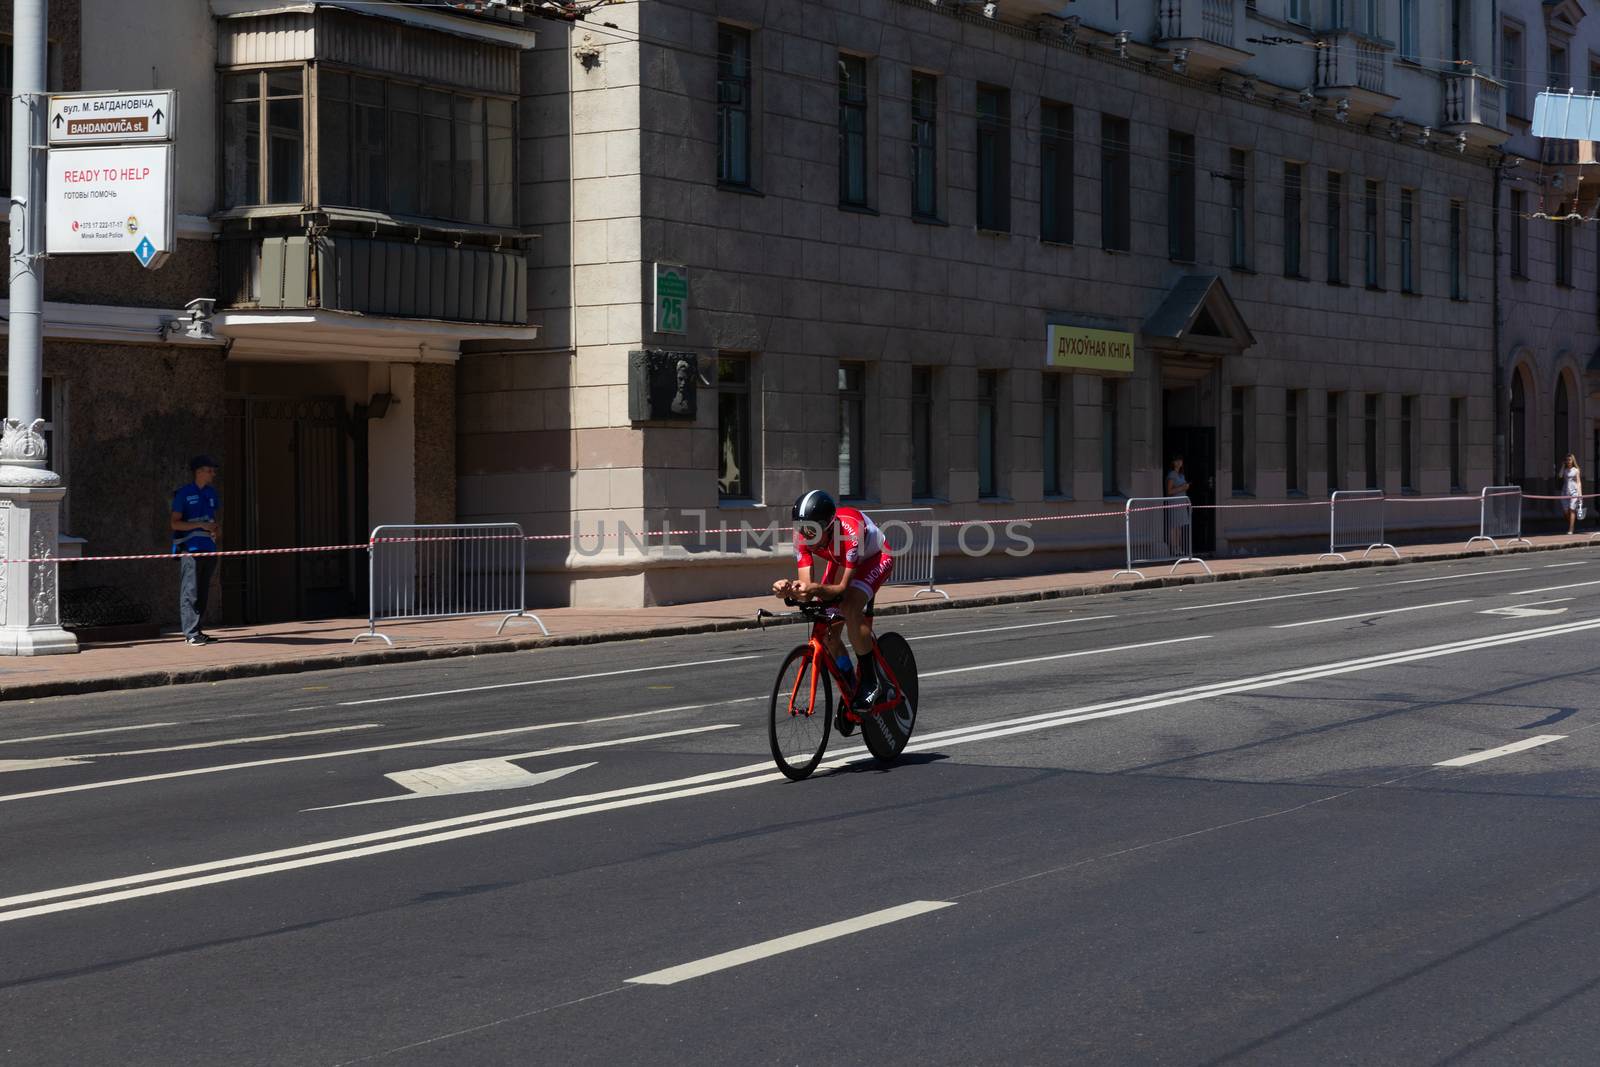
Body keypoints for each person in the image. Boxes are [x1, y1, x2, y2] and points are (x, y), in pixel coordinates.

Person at [771, 490, 895, 733]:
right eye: (801, 528)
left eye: (812, 529)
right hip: (839, 561)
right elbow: (806, 587)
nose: (806, 535)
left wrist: (814, 589)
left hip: (876, 558)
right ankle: (852, 688)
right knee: (828, 633)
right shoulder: (802, 538)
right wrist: (787, 588)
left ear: (828, 526)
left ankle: (870, 680)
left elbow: (840, 589)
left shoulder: (850, 532)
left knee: (848, 606)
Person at [171, 455, 221, 646]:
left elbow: (214, 519)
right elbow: (174, 523)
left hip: (209, 548)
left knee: (202, 592)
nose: (213, 474)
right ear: (199, 471)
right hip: (191, 549)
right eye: (210, 470)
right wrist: (200, 525)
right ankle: (190, 633)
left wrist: (216, 530)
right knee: (190, 591)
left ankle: (198, 630)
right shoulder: (184, 493)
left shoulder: (211, 493)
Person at [1164, 455, 1191, 556]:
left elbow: (1183, 489)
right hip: (1174, 503)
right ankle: (1174, 549)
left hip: (1181, 503)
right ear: (1173, 462)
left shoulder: (1181, 475)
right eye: (1177, 460)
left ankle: (1179, 548)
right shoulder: (1172, 474)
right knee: (1174, 526)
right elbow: (1169, 491)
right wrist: (1182, 488)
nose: (1179, 462)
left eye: (1181, 460)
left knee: (1179, 527)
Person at [1561, 452, 1584, 535]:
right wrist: (1563, 466)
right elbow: (1560, 476)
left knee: (1572, 509)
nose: (1568, 461)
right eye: (1567, 460)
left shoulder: (1576, 470)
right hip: (1565, 492)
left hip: (1574, 492)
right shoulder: (1565, 470)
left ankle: (1571, 528)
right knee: (1566, 511)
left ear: (1573, 460)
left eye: (1570, 460)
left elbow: (1578, 482)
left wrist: (1580, 495)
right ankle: (1572, 524)